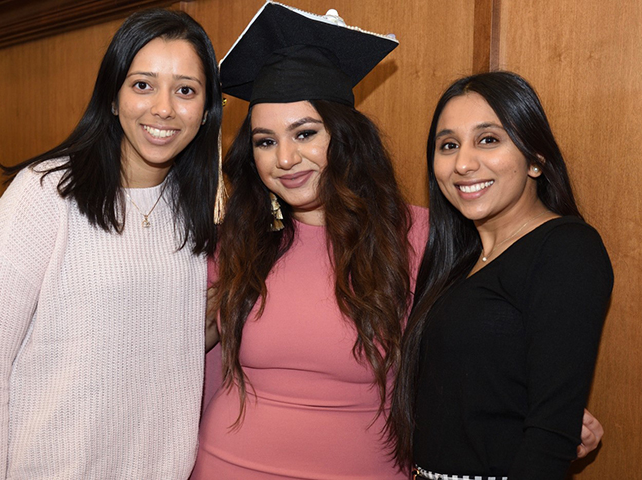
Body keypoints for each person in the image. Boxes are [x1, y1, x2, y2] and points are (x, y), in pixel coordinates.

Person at [194, 3, 603, 479]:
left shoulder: (425, 238)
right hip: (227, 465)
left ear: (345, 137)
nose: (285, 158)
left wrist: (542, 416)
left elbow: (480, 343)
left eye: (305, 133)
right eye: (265, 142)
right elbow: (184, 360)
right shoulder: (235, 244)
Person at [0, 8, 222, 480]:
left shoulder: (199, 207)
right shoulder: (44, 195)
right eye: (142, 84)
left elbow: (160, 347)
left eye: (185, 90)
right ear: (112, 98)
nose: (163, 108)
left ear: (205, 110)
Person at [388, 71, 613, 480]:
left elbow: (548, 433)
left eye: (488, 139)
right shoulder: (456, 260)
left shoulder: (566, 248)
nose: (463, 163)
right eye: (448, 145)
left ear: (536, 159)